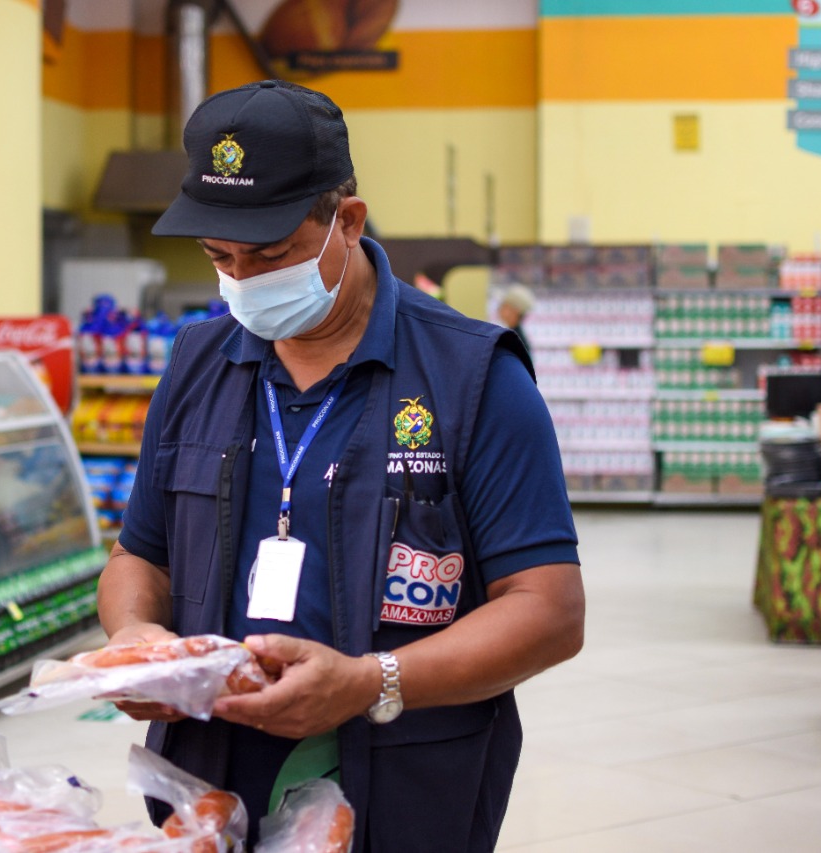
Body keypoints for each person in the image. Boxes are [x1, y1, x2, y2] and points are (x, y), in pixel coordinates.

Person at [96, 79, 584, 852]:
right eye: (220, 257)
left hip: (402, 793)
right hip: (208, 792)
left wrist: (370, 681)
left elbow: (549, 610)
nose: (244, 280)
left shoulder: (474, 377)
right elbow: (139, 555)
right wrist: (136, 635)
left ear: (346, 221)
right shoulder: (197, 362)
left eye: (271, 253)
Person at [497, 283, 536, 352]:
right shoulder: (514, 337)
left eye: (504, 305)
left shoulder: (513, 341)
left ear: (515, 311)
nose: (499, 308)